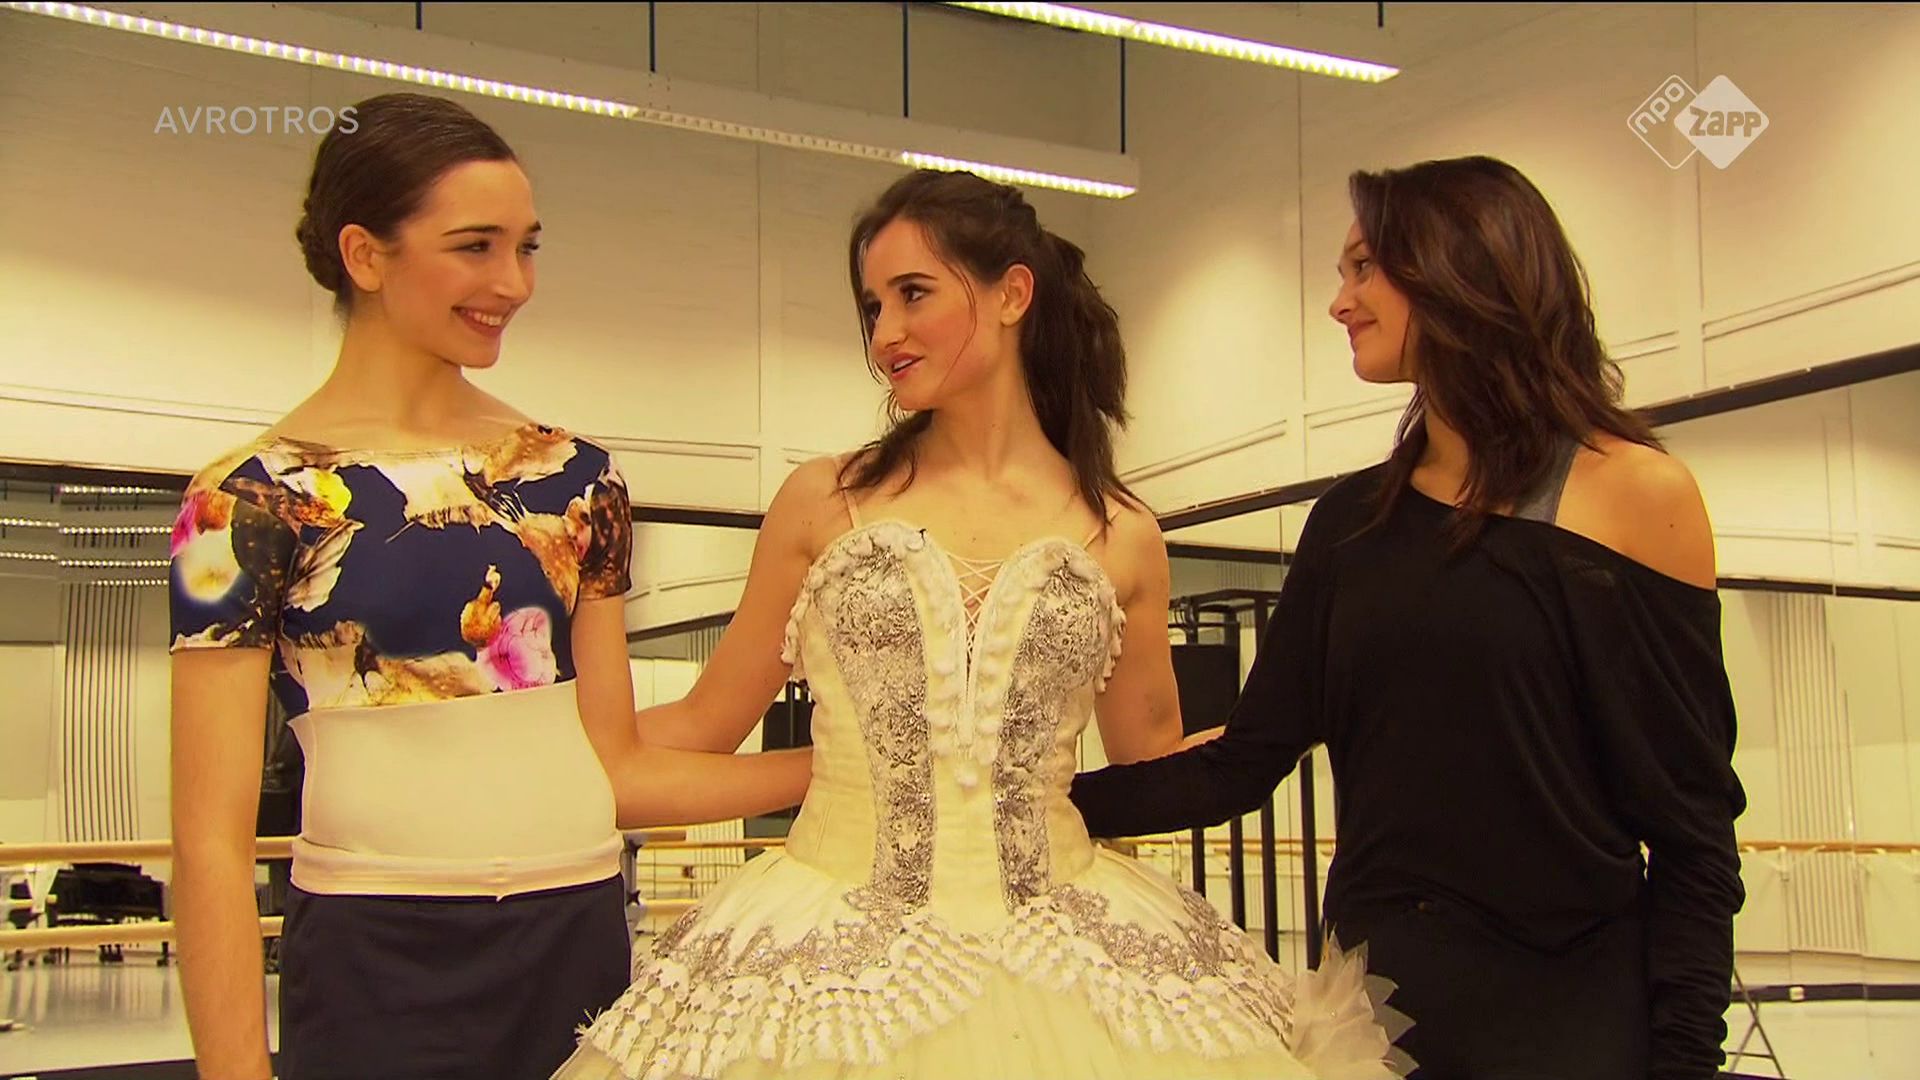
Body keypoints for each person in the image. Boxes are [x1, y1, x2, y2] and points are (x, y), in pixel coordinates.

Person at [554, 169, 1409, 1080]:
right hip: (828, 942)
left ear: (1012, 294)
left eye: (913, 294)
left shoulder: (1123, 533)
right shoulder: (822, 500)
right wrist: (530, 763)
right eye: (872, 307)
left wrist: (1341, 718)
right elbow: (702, 723)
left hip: (1066, 946)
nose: (885, 334)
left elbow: (1154, 758)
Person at [167, 92, 812, 1080]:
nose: (513, 282)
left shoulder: (575, 480)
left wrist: (853, 770)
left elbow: (615, 767)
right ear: (365, 254)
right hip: (374, 956)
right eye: (476, 246)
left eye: (527, 247)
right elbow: (209, 841)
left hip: (575, 940)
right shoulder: (248, 503)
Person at [1068, 155, 1748, 1080]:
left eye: (1363, 268)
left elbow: (1693, 828)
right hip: (1378, 1012)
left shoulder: (1636, 495)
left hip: (1571, 1015)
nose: (1339, 302)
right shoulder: (1350, 522)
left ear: (1458, 269)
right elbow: (1241, 764)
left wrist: (1685, 1062)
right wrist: (1039, 805)